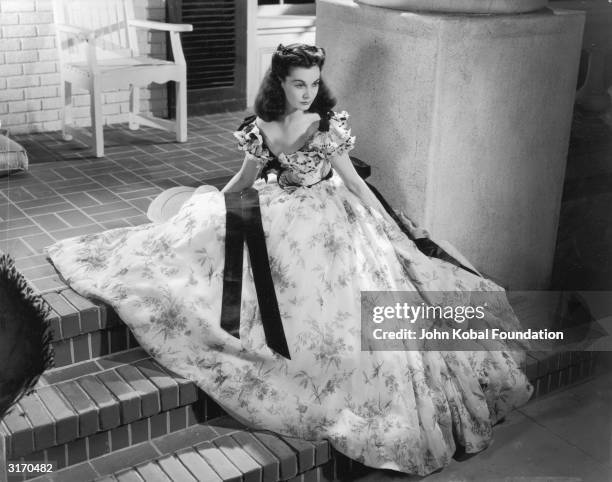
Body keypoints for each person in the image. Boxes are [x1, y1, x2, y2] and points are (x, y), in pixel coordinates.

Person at [46, 43, 533, 476]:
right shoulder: (259, 126)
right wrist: (215, 203)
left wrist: (388, 224)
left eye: (315, 83)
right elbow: (245, 178)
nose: (308, 92)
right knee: (216, 251)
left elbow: (356, 184)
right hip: (277, 210)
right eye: (298, 83)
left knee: (342, 298)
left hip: (330, 216)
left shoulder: (326, 126)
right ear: (279, 83)